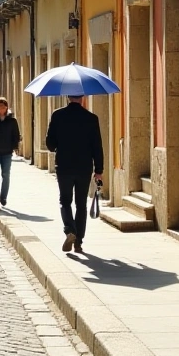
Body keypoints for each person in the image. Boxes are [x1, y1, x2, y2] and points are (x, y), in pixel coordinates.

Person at [45, 95, 104, 255]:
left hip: (64, 166)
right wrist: (98, 170)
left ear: (67, 97)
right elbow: (97, 146)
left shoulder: (57, 115)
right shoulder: (91, 118)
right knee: (81, 204)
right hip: (84, 167)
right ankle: (78, 241)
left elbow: (50, 145)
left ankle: (70, 229)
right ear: (82, 98)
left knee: (65, 201)